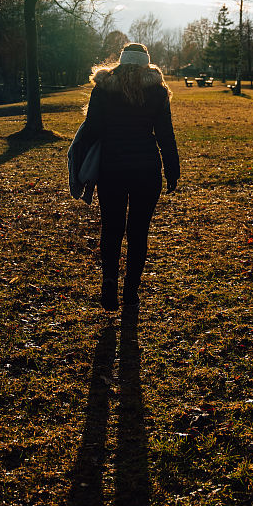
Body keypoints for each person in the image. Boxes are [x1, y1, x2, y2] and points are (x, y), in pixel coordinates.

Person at [76, 43, 179, 311]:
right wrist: (172, 169)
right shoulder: (156, 91)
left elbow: (92, 129)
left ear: (121, 62)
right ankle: (131, 291)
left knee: (111, 227)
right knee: (138, 232)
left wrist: (79, 164)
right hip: (146, 169)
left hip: (111, 168)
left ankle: (109, 281)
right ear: (146, 63)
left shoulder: (104, 89)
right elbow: (165, 134)